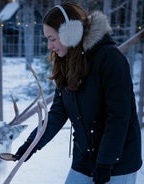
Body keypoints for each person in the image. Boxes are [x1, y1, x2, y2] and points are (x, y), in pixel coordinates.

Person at [13, 2, 142, 184]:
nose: (50, 46)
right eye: (47, 39)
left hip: (118, 162)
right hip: (84, 160)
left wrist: (105, 163)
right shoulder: (67, 63)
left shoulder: (110, 59)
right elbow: (57, 114)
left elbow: (119, 117)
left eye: (52, 38)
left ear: (70, 33)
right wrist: (30, 145)